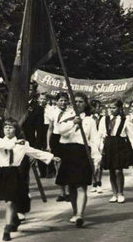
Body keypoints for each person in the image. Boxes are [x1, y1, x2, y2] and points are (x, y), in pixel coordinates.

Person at [0, 118, 53, 241]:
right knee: (10, 200)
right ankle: (15, 219)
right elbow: (6, 145)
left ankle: (6, 229)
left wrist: (51, 157)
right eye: (6, 127)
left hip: (15, 173)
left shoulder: (23, 144)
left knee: (11, 201)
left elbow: (34, 152)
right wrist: (17, 143)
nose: (8, 130)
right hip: (3, 173)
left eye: (11, 127)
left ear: (16, 130)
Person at [55, 92, 101, 228]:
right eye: (75, 101)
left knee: (81, 185)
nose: (78, 104)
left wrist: (96, 157)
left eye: (81, 101)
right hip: (67, 152)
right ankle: (75, 213)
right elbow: (60, 131)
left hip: (81, 152)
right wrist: (72, 123)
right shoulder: (65, 117)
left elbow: (94, 139)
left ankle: (80, 214)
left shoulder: (90, 120)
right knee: (71, 186)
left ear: (85, 104)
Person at [98, 100, 133, 204]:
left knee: (118, 170)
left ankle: (120, 193)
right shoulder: (104, 119)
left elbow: (132, 136)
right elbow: (101, 135)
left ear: (119, 108)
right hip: (108, 145)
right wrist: (100, 148)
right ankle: (114, 193)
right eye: (109, 108)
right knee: (111, 170)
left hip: (119, 145)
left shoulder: (125, 120)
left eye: (113, 107)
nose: (111, 110)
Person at [46, 93, 70, 201]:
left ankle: (69, 192)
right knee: (58, 166)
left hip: (66, 137)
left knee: (68, 165)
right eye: (61, 100)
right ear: (56, 101)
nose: (63, 103)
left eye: (65, 100)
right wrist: (48, 144)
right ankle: (62, 192)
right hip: (56, 138)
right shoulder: (52, 112)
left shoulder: (71, 112)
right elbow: (50, 129)